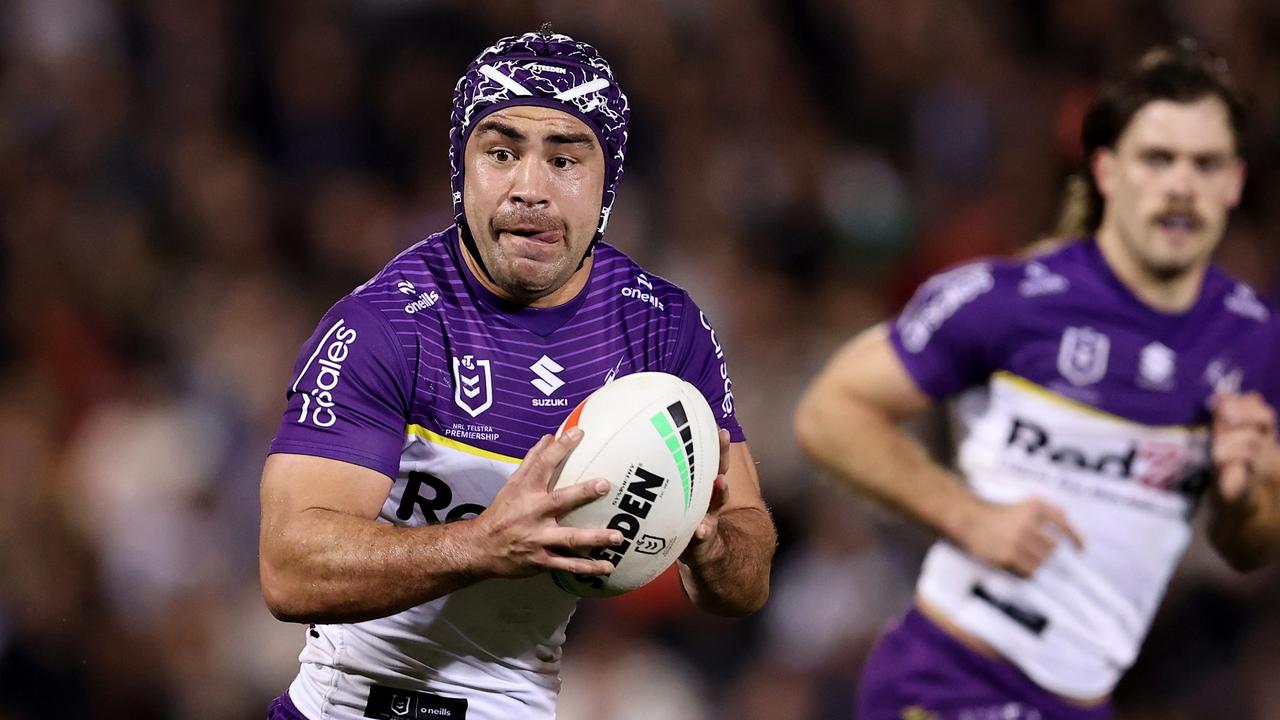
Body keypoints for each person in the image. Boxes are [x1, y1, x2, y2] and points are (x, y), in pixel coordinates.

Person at [258, 29, 776, 720]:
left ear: (608, 183)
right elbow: (287, 569)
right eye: (500, 154)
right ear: (460, 170)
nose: (529, 188)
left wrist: (707, 542)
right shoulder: (386, 324)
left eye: (565, 158)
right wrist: (482, 543)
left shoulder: (663, 331)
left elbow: (746, 577)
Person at [795, 42, 1280, 720]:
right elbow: (829, 411)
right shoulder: (1015, 297)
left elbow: (1252, 544)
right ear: (1108, 171)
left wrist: (1247, 493)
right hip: (952, 678)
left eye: (1204, 164)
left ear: (1234, 181)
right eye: (1157, 159)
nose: (1181, 185)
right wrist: (969, 517)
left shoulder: (1256, 339)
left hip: (1080, 702)